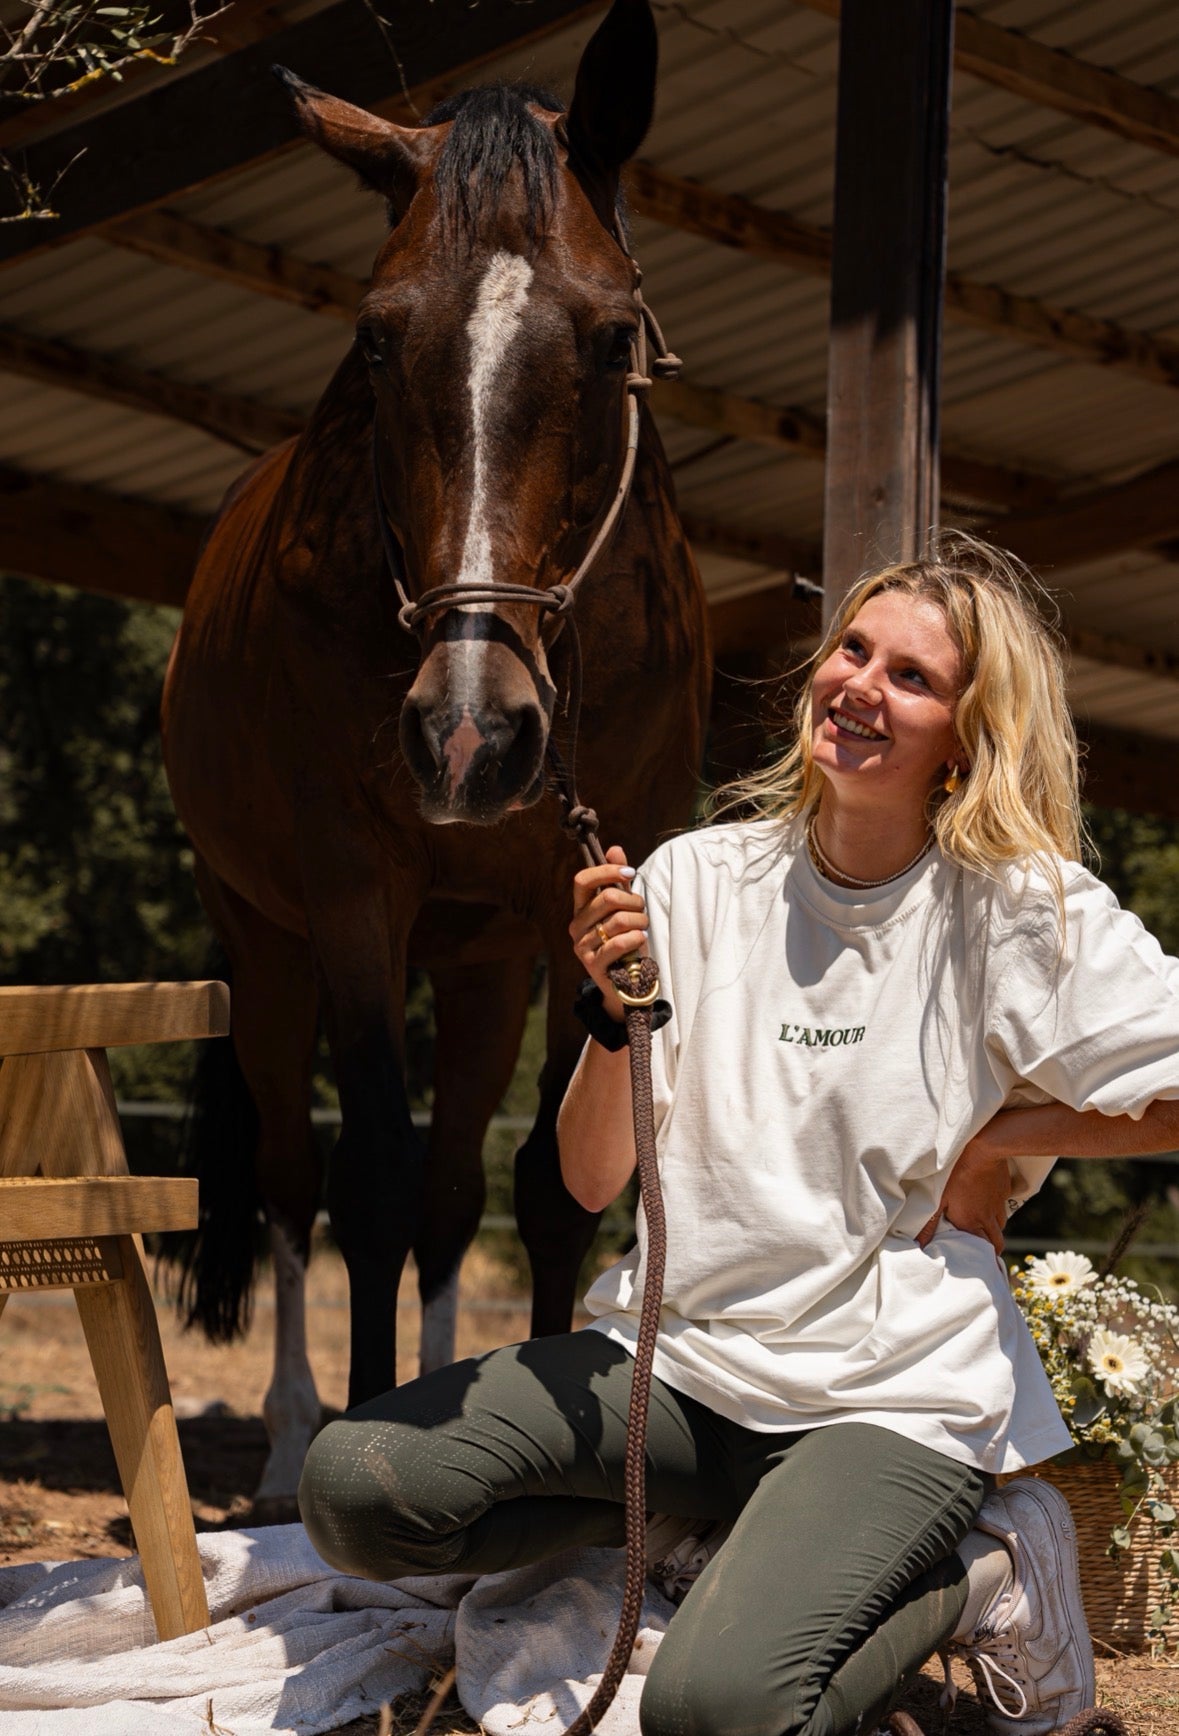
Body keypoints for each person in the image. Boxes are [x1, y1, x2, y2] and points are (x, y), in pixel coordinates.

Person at [300, 538, 1179, 1735]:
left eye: (913, 678)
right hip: (682, 1362)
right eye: (853, 649)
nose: (862, 684)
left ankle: (982, 1575)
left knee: (716, 1714)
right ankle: (731, 1538)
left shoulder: (1016, 910)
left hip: (889, 1391)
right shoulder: (696, 879)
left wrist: (997, 1132)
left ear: (966, 740)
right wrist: (615, 1014)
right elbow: (589, 1174)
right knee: (363, 1486)